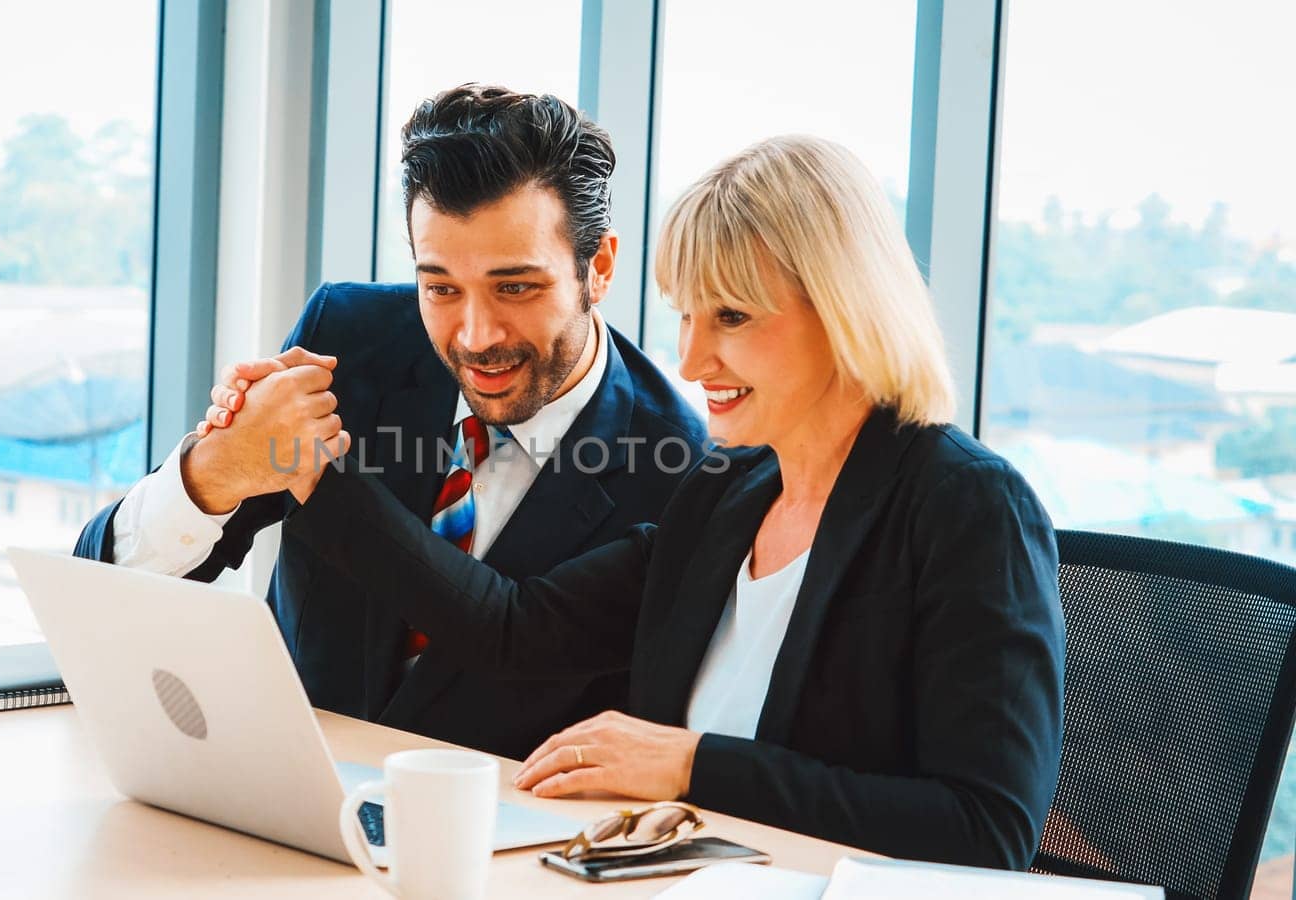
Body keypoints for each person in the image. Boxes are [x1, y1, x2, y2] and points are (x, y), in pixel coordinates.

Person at [239, 135, 1065, 869]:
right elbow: (514, 629)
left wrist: (692, 764)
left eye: (733, 317)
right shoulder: (725, 493)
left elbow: (988, 829)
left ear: (847, 313)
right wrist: (317, 471)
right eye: (687, 315)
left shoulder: (969, 507)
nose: (694, 357)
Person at [72, 84, 705, 761]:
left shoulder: (677, 469)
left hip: (503, 847)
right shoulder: (349, 342)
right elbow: (100, 593)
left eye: (515, 287)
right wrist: (215, 471)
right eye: (440, 287)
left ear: (598, 267)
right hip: (282, 801)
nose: (475, 334)